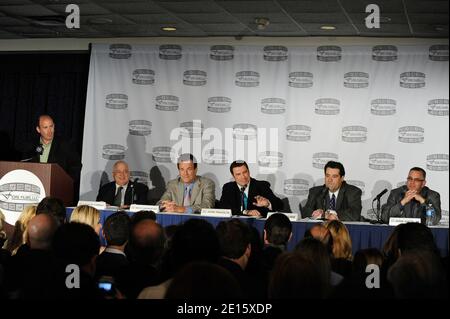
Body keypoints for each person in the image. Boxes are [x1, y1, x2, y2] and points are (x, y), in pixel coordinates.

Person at [21, 115, 82, 203]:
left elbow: (76, 166)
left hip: (58, 193)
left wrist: (66, 183)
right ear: (38, 129)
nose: (50, 131)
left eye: (51, 126)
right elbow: (24, 165)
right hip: (34, 193)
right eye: (45, 127)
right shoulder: (30, 145)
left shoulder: (65, 144)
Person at [219, 160, 283, 217]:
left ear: (249, 171)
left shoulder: (261, 186)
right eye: (238, 174)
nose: (243, 177)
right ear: (233, 176)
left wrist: (268, 204)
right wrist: (246, 212)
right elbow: (223, 208)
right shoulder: (228, 188)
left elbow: (280, 204)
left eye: (245, 172)